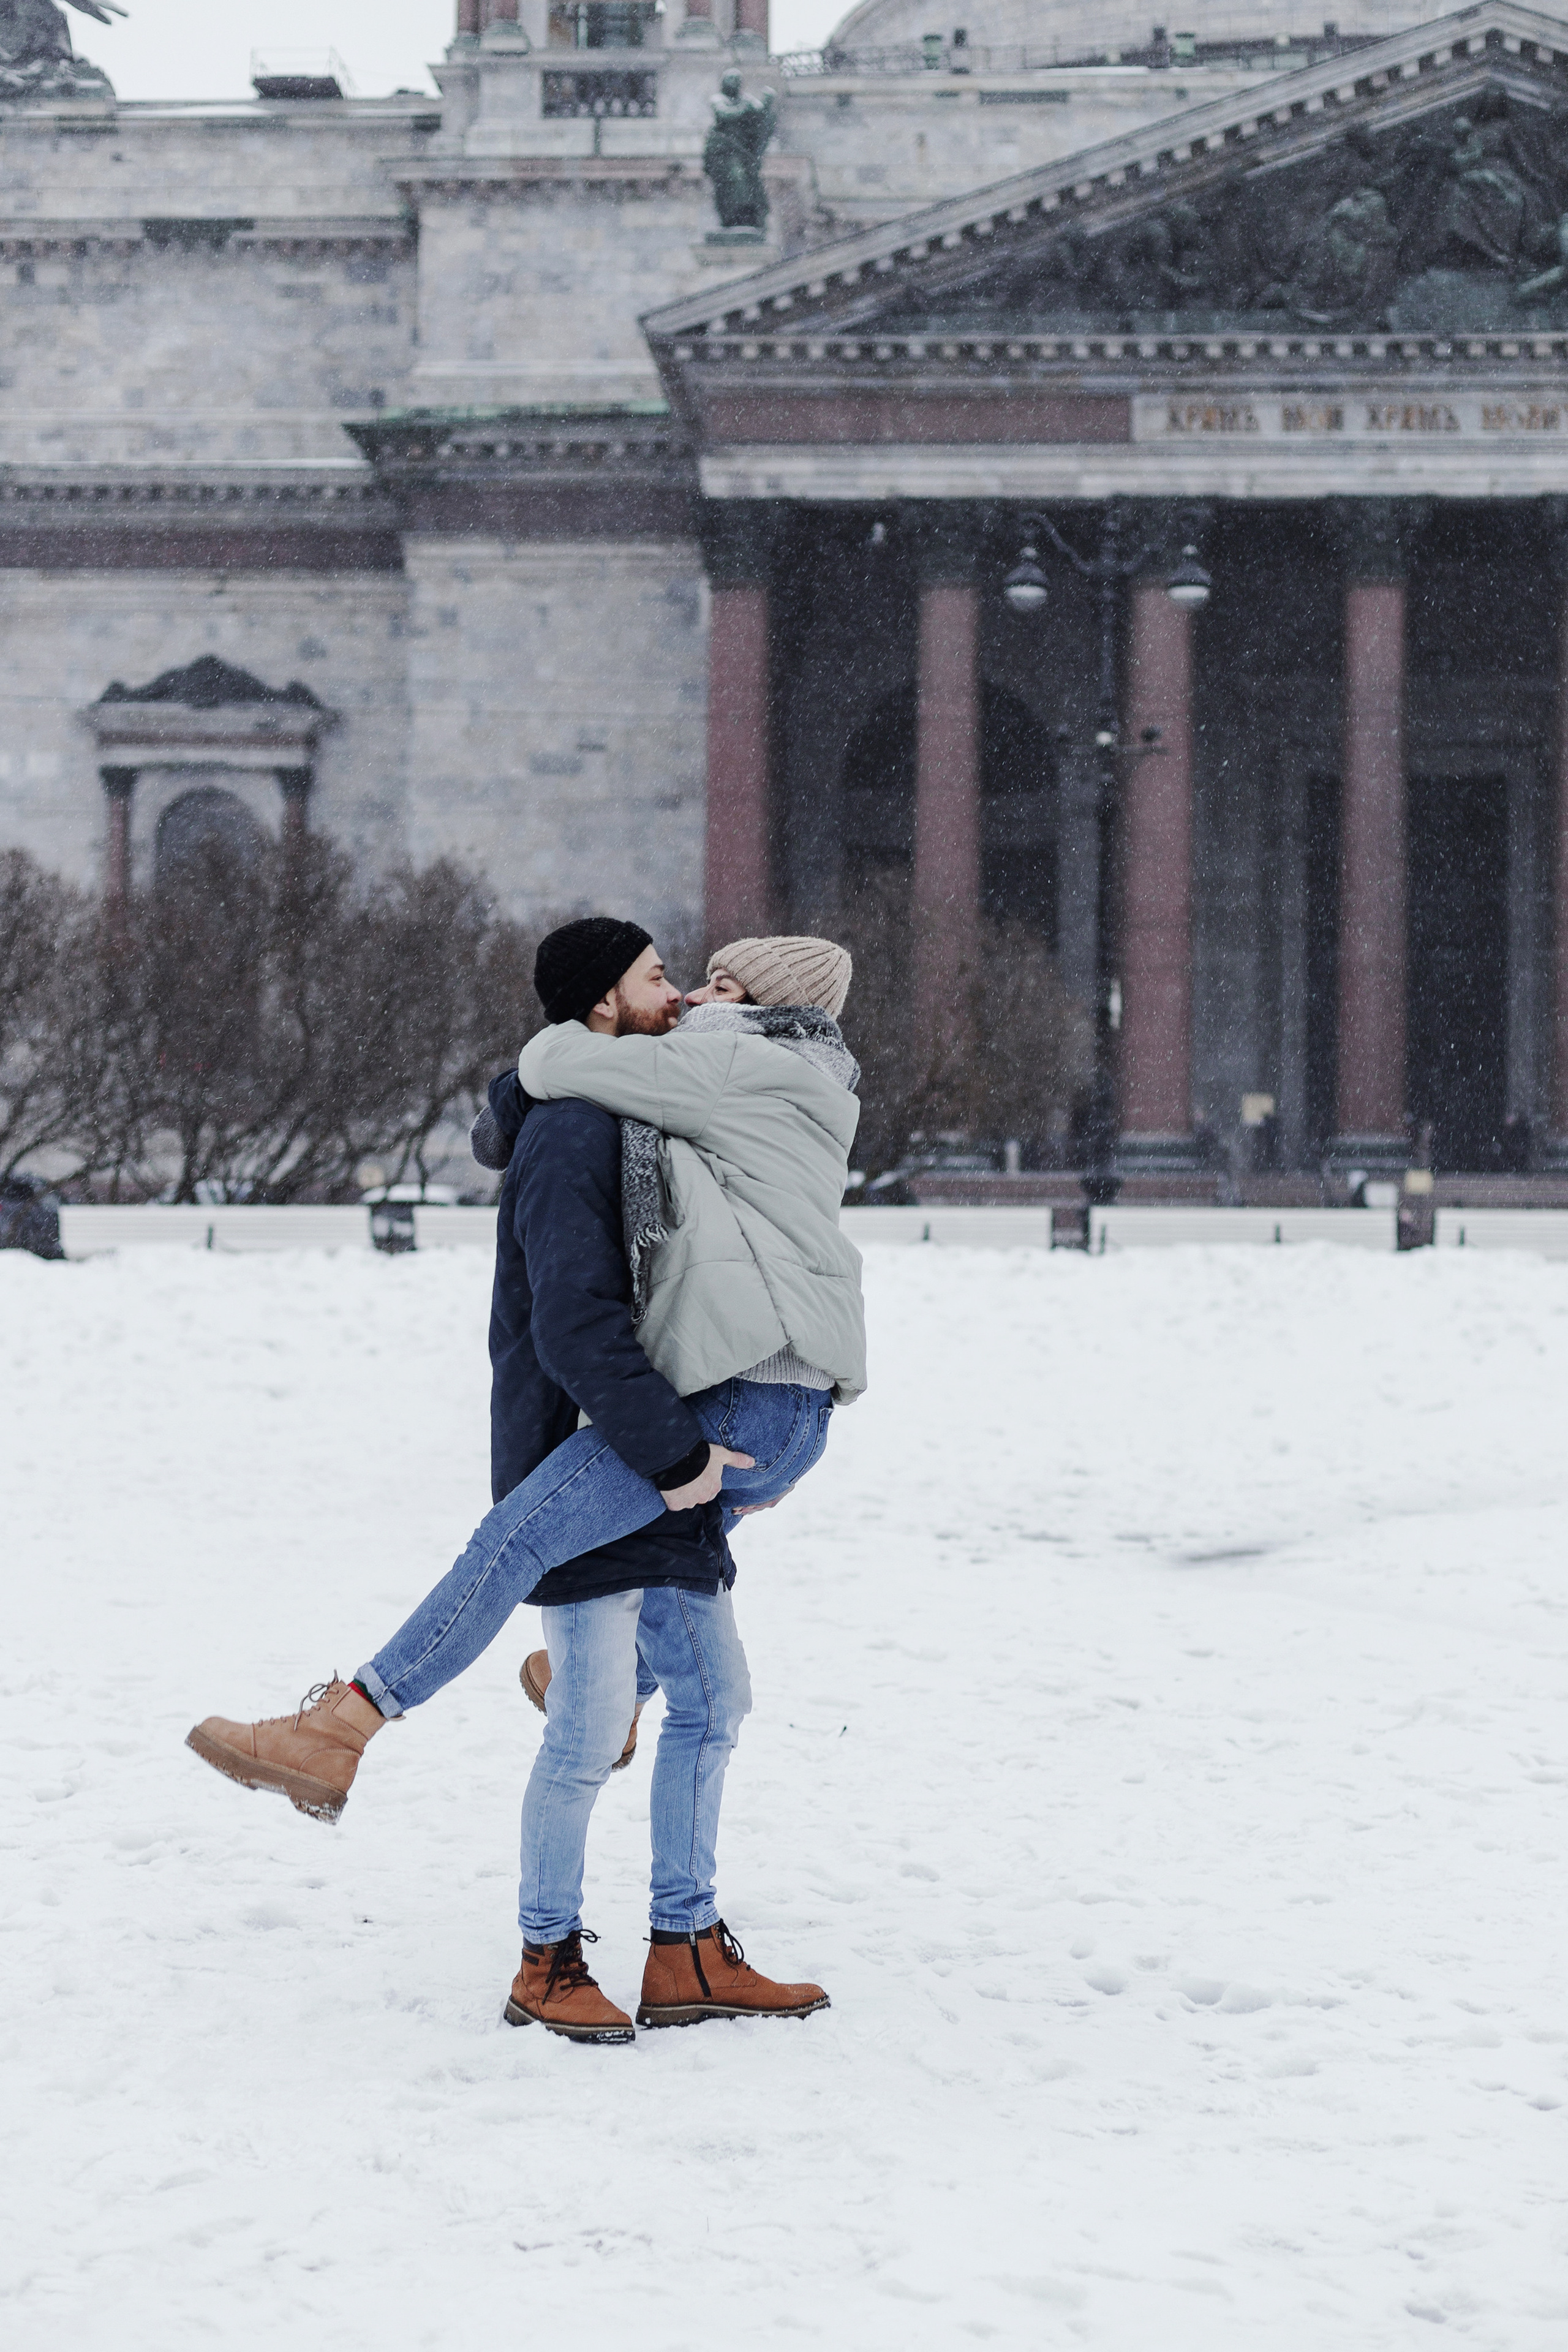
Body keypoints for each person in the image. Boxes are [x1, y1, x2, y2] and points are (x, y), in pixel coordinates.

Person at [187, 919, 859, 2043]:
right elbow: (574, 1318)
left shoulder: (679, 1083)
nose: (686, 996)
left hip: (692, 1421)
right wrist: (693, 1458)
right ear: (602, 1002)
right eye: (665, 978)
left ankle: (675, 1940)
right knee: (621, 1685)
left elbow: (572, 1105)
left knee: (658, 1676)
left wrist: (706, 1452)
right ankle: (562, 1938)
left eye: (705, 982)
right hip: (673, 1424)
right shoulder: (599, 1124)